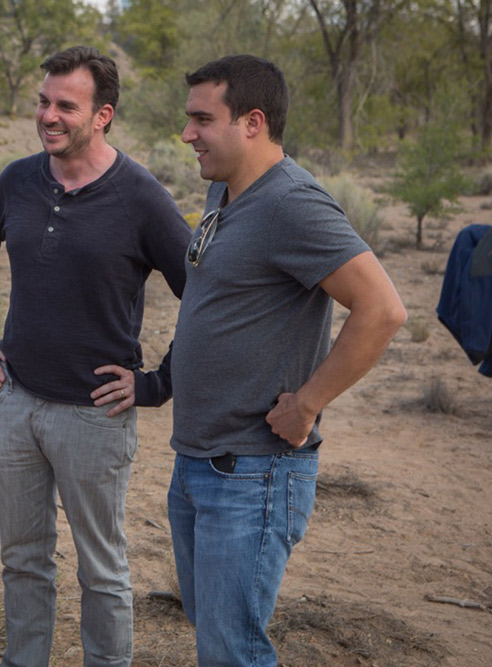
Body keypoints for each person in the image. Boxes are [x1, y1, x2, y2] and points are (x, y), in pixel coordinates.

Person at [0, 46, 191, 667]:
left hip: (93, 415)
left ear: (103, 114)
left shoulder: (141, 196)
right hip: (17, 404)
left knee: (102, 568)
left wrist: (155, 384)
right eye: (43, 101)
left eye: (66, 105)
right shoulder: (17, 179)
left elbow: (208, 296)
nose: (48, 116)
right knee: (22, 559)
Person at [168, 54, 408, 666]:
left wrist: (308, 404)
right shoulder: (227, 190)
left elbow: (381, 309)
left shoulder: (292, 204)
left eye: (202, 119)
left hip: (252, 474)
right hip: (201, 462)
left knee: (233, 652)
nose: (187, 133)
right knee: (215, 634)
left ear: (252, 122)